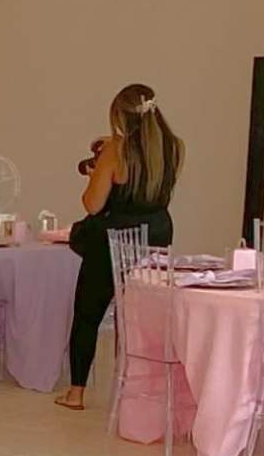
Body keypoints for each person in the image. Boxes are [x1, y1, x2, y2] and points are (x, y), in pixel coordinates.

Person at [56, 82, 181, 408]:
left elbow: (93, 205)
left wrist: (96, 171)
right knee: (140, 314)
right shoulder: (173, 147)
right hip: (156, 236)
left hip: (113, 241)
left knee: (88, 314)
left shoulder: (116, 153)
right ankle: (137, 390)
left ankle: (76, 392)